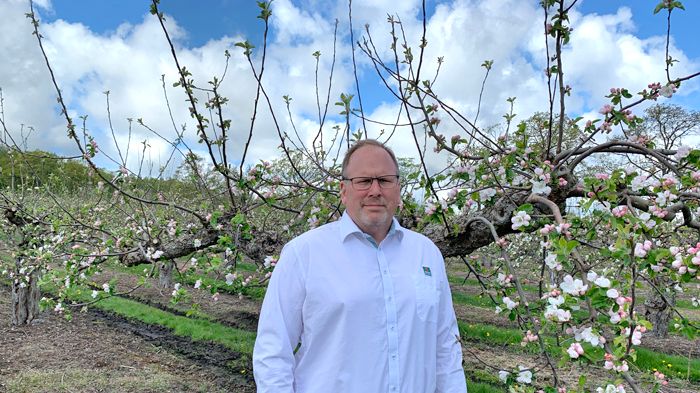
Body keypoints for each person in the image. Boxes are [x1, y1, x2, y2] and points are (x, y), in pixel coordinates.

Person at [253, 139, 467, 393]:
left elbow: (445, 346)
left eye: (385, 180)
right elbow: (273, 351)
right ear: (344, 191)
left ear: (398, 189)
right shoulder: (303, 254)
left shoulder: (427, 254)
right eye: (363, 181)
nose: (375, 190)